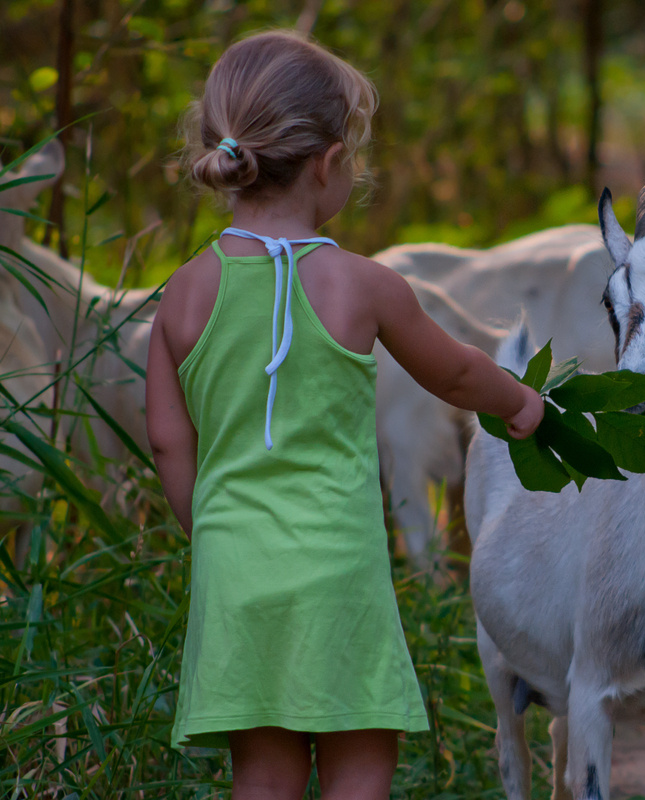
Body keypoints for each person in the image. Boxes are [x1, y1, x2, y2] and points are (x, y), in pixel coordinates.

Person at [145, 30, 543, 800]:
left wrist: (213, 529)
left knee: (261, 770)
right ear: (329, 163)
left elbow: (168, 442)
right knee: (360, 756)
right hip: (337, 572)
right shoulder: (365, 286)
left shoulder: (183, 292)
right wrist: (522, 403)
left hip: (235, 569)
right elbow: (457, 373)